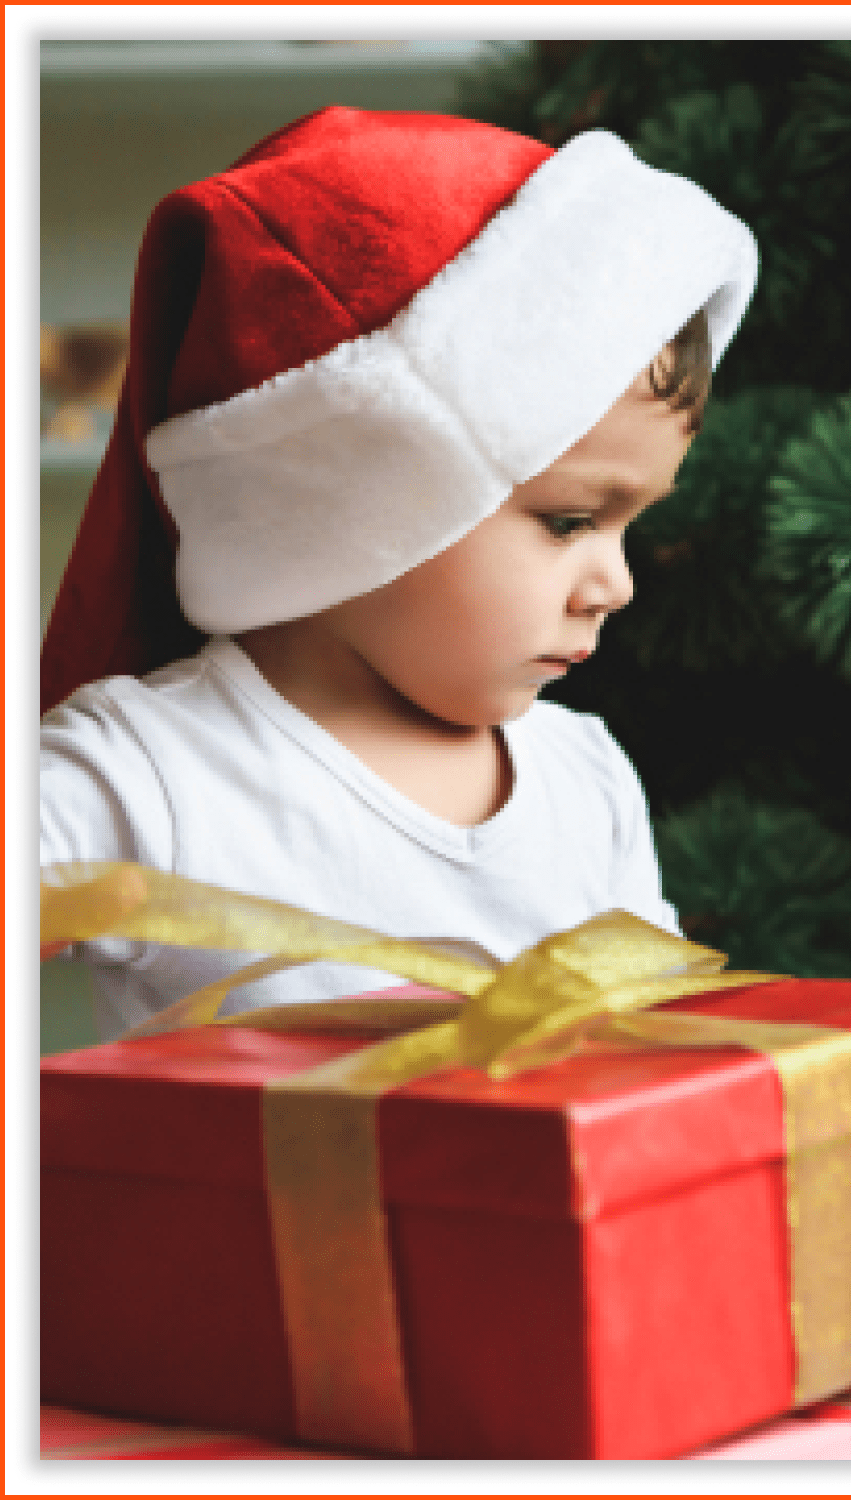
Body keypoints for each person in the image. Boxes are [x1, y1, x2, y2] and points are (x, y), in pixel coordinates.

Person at [40, 107, 757, 1040]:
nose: (615, 584)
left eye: (629, 526)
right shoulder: (149, 775)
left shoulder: (584, 782)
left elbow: (654, 1065)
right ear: (359, 509)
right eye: (570, 521)